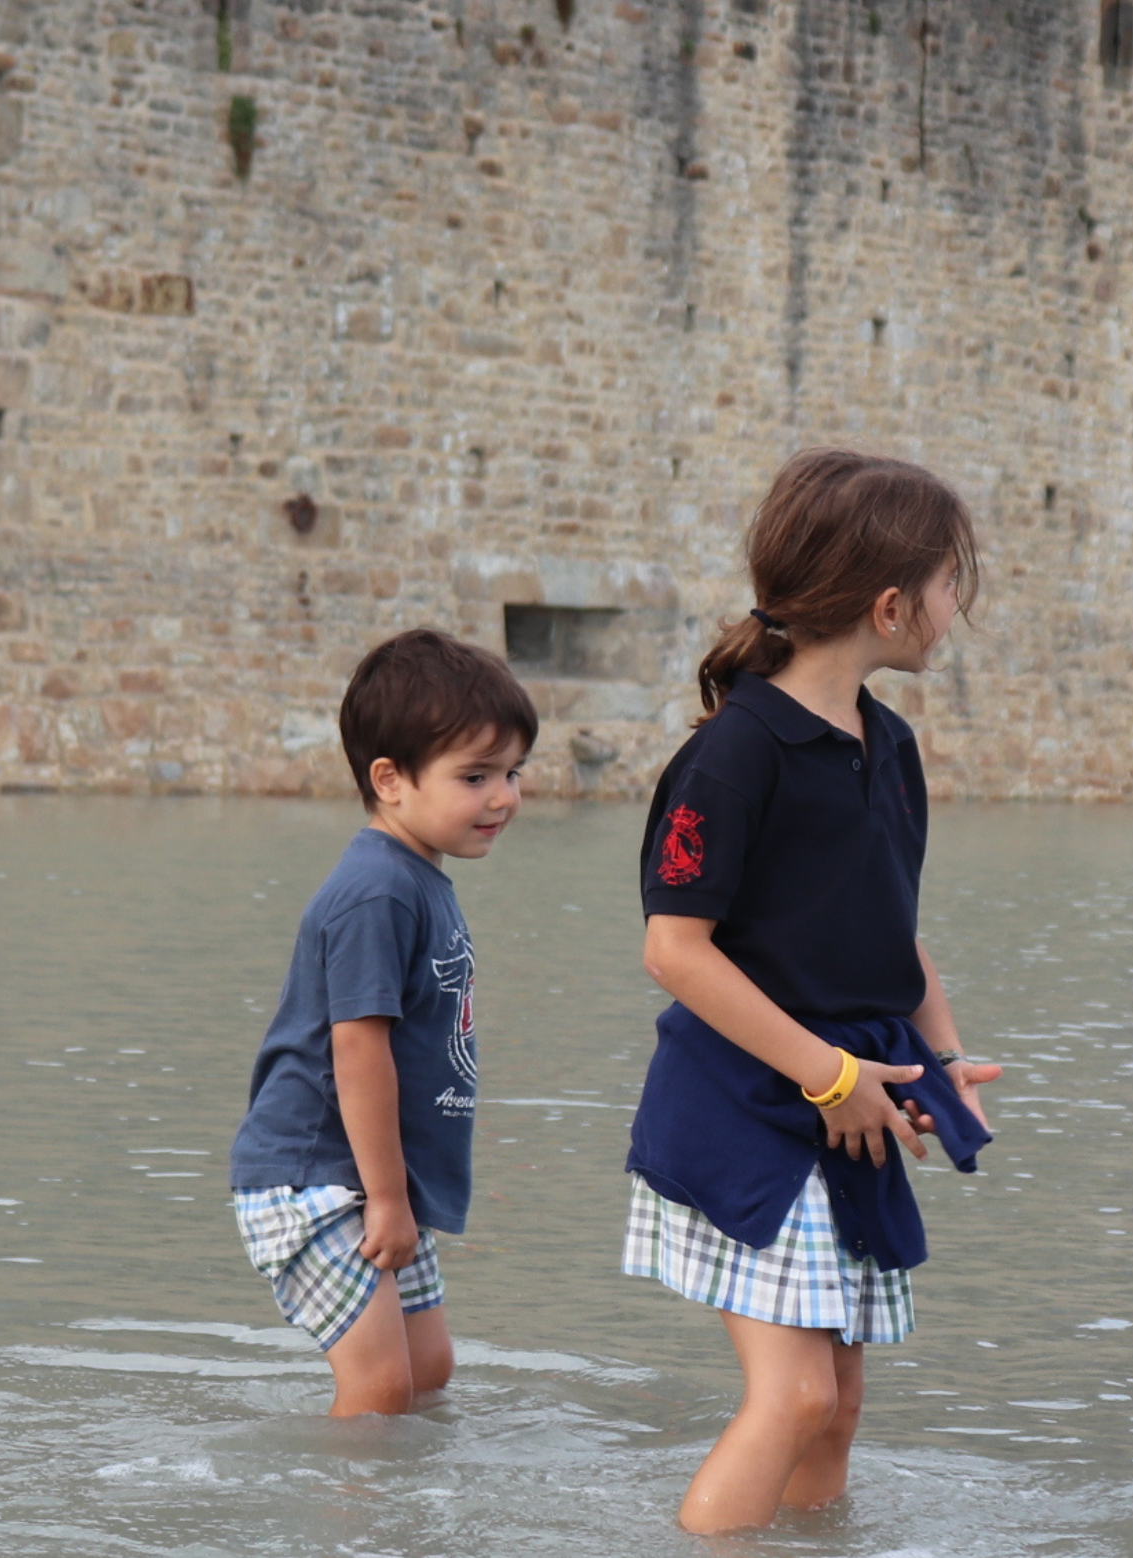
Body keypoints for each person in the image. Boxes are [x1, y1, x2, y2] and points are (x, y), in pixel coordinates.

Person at [623, 450, 1005, 1534]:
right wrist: (831, 1073)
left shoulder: (889, 746)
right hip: (743, 1107)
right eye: (946, 586)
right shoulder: (736, 753)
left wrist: (943, 1060)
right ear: (890, 605)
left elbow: (894, 932)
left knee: (836, 1408)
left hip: (850, 1107)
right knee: (790, 1398)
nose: (954, 610)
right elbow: (674, 951)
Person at [228, 629, 537, 1416]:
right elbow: (358, 1050)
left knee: (427, 1371)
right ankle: (356, 1531)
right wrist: (388, 1199)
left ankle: (403, 1514)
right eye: (475, 776)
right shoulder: (377, 891)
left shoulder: (420, 879)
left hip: (371, 1180)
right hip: (317, 1178)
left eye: (512, 772)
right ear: (390, 779)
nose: (503, 796)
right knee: (379, 1388)